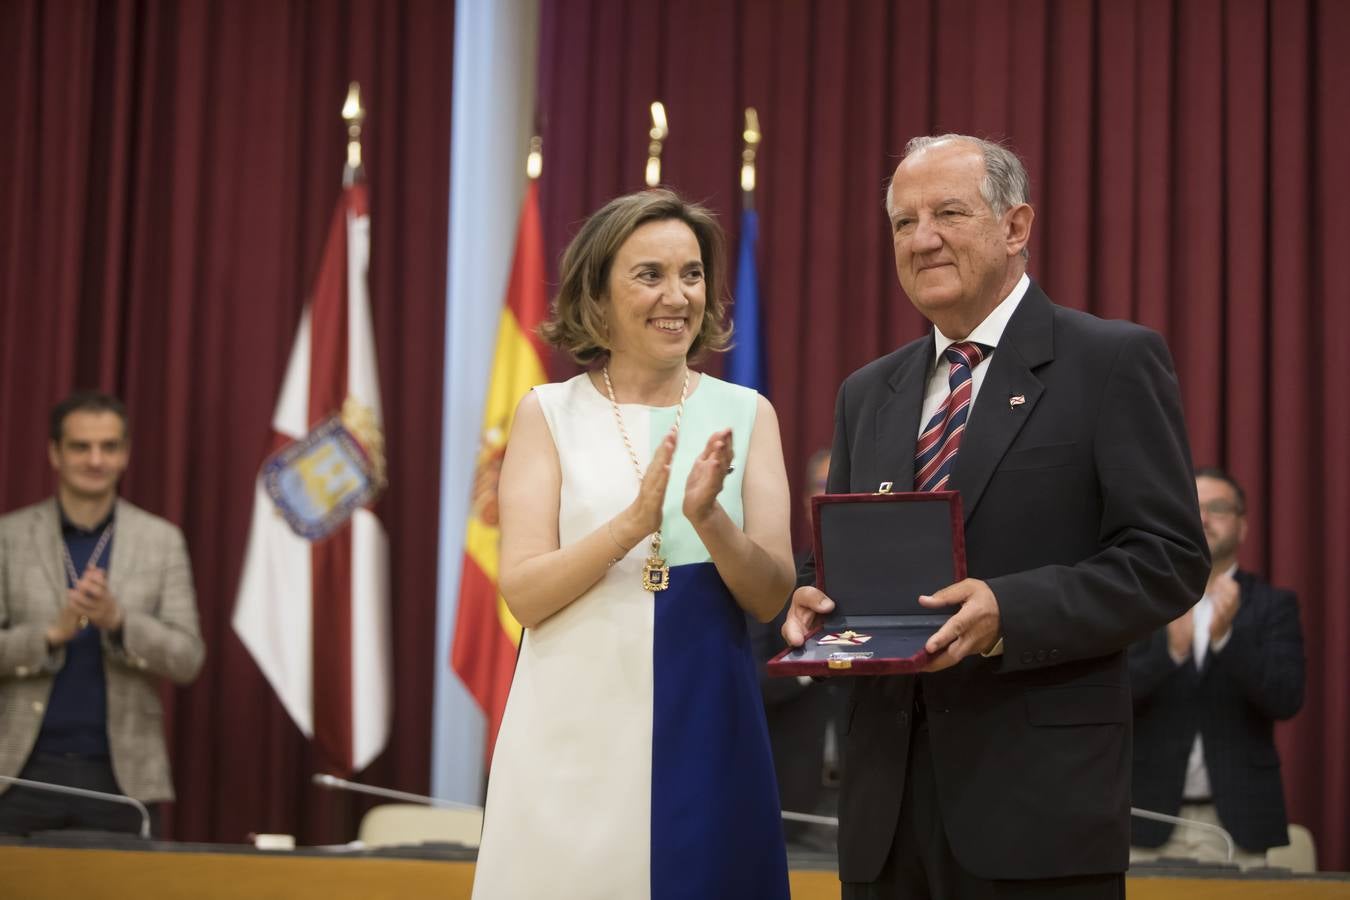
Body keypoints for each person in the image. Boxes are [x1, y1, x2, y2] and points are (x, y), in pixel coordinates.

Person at [783, 134, 1209, 898]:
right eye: (903, 223)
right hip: (884, 817)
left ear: (1016, 228)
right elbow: (837, 563)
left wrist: (1009, 608)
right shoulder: (865, 394)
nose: (923, 239)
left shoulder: (1110, 362)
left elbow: (1168, 557)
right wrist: (812, 598)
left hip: (1037, 811)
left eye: (948, 212)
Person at [472, 188, 796, 899]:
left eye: (692, 273)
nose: (676, 295)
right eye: (649, 274)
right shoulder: (547, 413)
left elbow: (773, 596)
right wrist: (630, 524)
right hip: (570, 737)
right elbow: (523, 593)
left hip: (708, 727)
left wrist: (709, 520)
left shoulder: (748, 412)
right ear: (597, 292)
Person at [0, 391, 205, 836]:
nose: (96, 460)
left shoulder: (161, 540)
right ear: (55, 453)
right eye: (80, 446)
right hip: (16, 771)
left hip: (123, 777)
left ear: (125, 454)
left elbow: (188, 657)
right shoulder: (9, 536)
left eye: (109, 447)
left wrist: (121, 622)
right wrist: (50, 634)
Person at [1129, 468, 1305, 866]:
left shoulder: (1273, 605)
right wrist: (1170, 651)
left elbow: (1286, 699)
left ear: (1242, 527)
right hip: (1145, 817)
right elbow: (1113, 696)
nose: (1204, 518)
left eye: (1218, 508)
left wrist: (1228, 639)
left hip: (1237, 822)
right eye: (1194, 508)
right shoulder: (1143, 601)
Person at [748, 448, 842, 852]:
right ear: (805, 501)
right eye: (823, 487)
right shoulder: (780, 578)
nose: (832, 497)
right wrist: (813, 662)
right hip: (790, 812)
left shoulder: (902, 584)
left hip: (874, 806)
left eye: (841, 486)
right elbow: (750, 678)